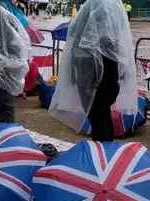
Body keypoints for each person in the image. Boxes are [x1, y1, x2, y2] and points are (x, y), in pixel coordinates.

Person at [49, 0, 138, 142]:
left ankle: (101, 151)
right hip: (108, 78)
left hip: (93, 77)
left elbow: (75, 32)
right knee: (103, 116)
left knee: (98, 118)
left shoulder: (94, 7)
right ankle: (105, 153)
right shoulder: (114, 10)